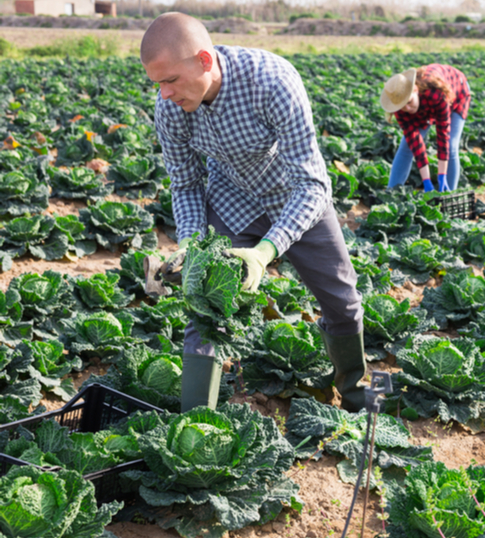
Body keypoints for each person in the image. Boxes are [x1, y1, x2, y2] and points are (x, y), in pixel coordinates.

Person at [140, 13, 367, 412]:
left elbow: (312, 185)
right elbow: (187, 184)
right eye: (157, 83)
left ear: (204, 61)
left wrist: (265, 252)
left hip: (295, 199)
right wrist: (194, 245)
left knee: (342, 302)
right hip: (233, 201)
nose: (164, 94)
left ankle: (355, 399)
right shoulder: (171, 110)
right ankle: (196, 420)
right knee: (205, 304)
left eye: (171, 80)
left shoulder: (272, 81)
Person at [380, 65, 471, 192]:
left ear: (415, 90)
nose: (407, 109)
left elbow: (443, 133)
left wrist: (442, 176)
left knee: (450, 145)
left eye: (409, 102)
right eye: (402, 106)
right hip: (424, 104)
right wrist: (426, 180)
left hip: (457, 90)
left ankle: (450, 195)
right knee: (406, 145)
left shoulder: (436, 93)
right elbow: (415, 143)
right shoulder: (400, 107)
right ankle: (392, 192)